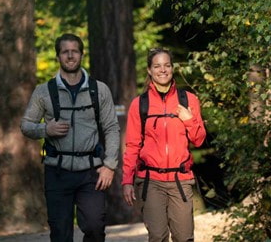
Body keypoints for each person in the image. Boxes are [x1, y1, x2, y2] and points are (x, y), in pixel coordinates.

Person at [21, 33, 120, 242]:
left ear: (81, 54)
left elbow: (111, 127)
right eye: (65, 52)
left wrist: (110, 165)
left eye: (74, 51)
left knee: (95, 228)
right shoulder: (43, 91)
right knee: (60, 233)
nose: (70, 56)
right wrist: (46, 129)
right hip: (57, 171)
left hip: (91, 171)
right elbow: (26, 125)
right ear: (58, 56)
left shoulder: (99, 89)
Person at [121, 48, 206, 242]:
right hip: (151, 182)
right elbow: (132, 146)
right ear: (150, 70)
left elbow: (199, 140)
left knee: (184, 238)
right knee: (158, 237)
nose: (163, 70)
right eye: (157, 66)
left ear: (172, 68)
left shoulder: (189, 100)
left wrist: (189, 119)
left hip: (180, 180)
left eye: (167, 65)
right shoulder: (139, 104)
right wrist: (127, 181)